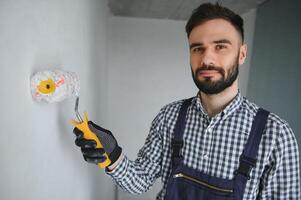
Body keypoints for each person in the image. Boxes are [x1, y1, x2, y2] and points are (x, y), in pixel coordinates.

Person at [73, 3, 300, 199]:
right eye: (197, 48)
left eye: (220, 46)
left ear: (241, 54)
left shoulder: (276, 135)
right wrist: (112, 155)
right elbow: (140, 182)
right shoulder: (169, 117)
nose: (207, 59)